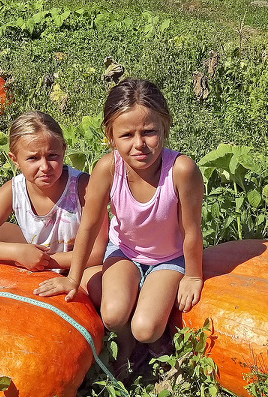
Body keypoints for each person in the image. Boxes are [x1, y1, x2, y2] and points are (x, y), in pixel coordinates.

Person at [35, 78, 205, 373]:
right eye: (127, 135)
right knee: (112, 316)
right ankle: (127, 345)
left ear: (165, 126)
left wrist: (193, 276)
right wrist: (73, 279)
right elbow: (88, 228)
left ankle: (153, 340)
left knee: (145, 327)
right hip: (124, 252)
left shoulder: (181, 170)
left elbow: (192, 231)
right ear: (111, 136)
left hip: (168, 259)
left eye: (149, 132)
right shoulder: (108, 169)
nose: (139, 144)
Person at [0, 111, 108, 301]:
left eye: (52, 155)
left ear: (64, 149)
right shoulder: (13, 190)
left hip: (80, 264)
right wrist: (17, 252)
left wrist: (45, 263)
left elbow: (97, 253)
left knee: (99, 287)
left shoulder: (84, 187)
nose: (44, 166)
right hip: (36, 251)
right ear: (15, 160)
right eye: (33, 158)